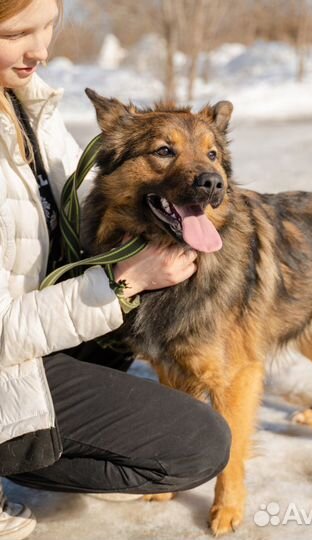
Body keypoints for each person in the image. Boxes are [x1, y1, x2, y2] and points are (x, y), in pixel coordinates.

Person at [0, 0, 231, 538]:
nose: (41, 50)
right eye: (16, 33)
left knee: (118, 339)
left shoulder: (27, 107)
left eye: (49, 27)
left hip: (32, 334)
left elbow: (90, 202)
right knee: (198, 444)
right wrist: (124, 282)